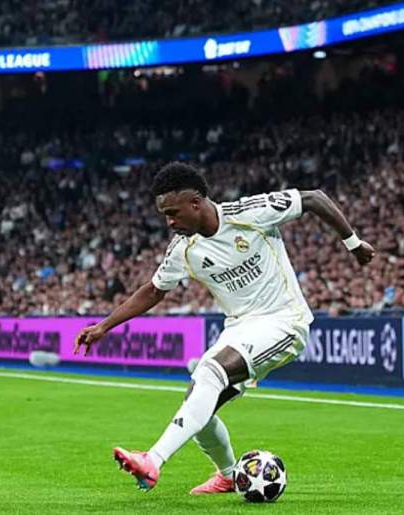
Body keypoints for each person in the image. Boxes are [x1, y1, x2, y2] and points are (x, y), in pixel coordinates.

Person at [74, 162, 374, 494]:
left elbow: (314, 198)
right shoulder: (182, 249)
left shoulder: (250, 213)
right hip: (240, 329)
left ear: (196, 202)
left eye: (174, 212)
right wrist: (104, 326)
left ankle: (153, 460)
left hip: (285, 322)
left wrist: (354, 244)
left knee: (210, 374)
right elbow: (154, 290)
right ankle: (229, 475)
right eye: (164, 215)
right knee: (197, 402)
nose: (169, 221)